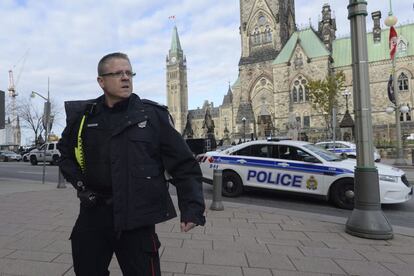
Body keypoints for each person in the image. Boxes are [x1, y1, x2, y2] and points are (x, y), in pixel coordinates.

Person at [58, 52, 205, 276]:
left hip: (137, 218)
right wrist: (80, 184)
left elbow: (184, 163)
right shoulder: (85, 117)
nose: (125, 77)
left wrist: (192, 208)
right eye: (118, 73)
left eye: (129, 72)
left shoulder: (152, 115)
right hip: (94, 214)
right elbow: (65, 153)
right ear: (101, 81)